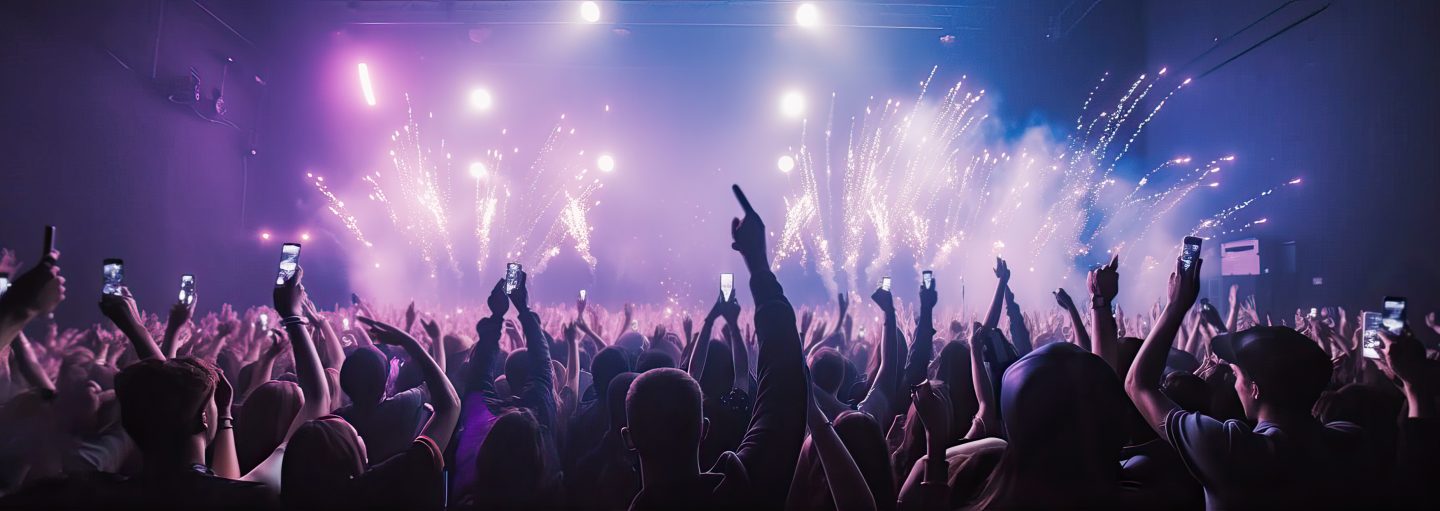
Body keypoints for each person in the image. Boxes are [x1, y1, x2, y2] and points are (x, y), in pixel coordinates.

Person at [1126, 251, 1367, 510]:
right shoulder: (1350, 439)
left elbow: (1137, 385)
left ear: (1254, 390)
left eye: (1238, 375)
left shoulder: (1232, 450)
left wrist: (1176, 306)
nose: (1234, 383)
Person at [623, 185, 807, 511]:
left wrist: (707, 326)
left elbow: (691, 376)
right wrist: (759, 269)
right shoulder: (743, 490)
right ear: (703, 429)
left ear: (628, 438)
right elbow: (783, 388)